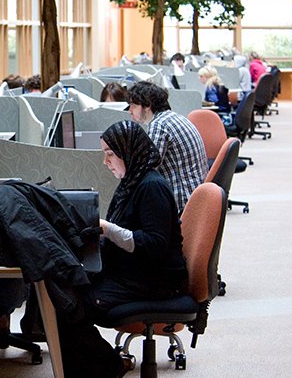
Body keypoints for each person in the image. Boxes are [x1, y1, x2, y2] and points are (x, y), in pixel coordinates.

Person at [57, 121, 187, 378]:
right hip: (133, 270)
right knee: (62, 288)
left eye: (110, 154)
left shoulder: (152, 187)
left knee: (71, 305)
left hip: (152, 278)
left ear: (128, 153)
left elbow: (155, 245)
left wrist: (106, 229)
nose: (106, 162)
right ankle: (96, 367)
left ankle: (108, 367)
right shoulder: (133, 182)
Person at [126, 82, 208, 212]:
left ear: (147, 104)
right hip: (196, 197)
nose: (129, 111)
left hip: (182, 203)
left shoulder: (158, 125)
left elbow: (144, 168)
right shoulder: (174, 117)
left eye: (133, 105)